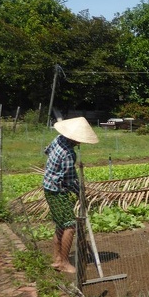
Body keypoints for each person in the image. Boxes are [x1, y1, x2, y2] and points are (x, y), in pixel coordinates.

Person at [43, 117, 99, 273]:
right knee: (70, 225)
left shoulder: (58, 139)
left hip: (48, 186)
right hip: (57, 190)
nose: (80, 142)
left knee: (60, 224)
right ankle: (65, 262)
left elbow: (46, 151)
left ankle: (57, 259)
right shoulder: (68, 153)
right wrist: (80, 192)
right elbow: (69, 179)